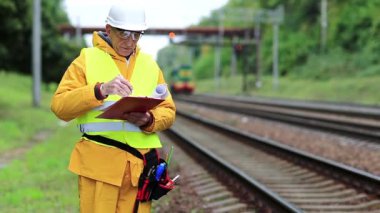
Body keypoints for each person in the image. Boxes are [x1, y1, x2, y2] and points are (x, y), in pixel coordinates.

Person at [51, 1, 176, 212]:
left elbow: (168, 110)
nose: (131, 41)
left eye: (137, 34)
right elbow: (60, 106)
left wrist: (149, 120)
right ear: (109, 29)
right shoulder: (86, 60)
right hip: (100, 169)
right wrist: (99, 90)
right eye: (124, 33)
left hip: (140, 170)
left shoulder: (149, 65)